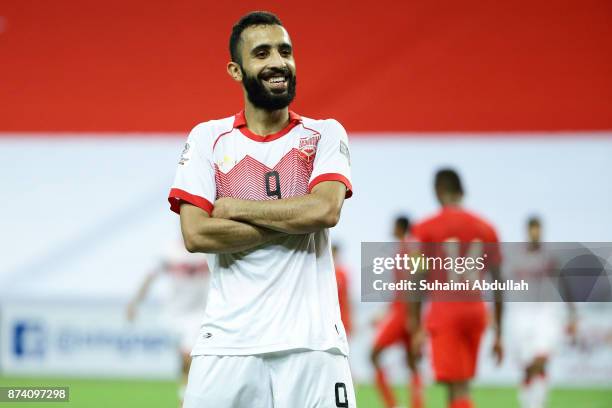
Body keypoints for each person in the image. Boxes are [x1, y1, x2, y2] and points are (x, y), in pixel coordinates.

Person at [167, 11, 355, 407]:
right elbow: (196, 234)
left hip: (313, 346)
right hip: (227, 345)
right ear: (236, 70)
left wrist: (236, 207)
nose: (277, 62)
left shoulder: (324, 133)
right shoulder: (208, 139)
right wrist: (295, 219)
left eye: (285, 51)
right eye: (262, 53)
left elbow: (324, 211)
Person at [408, 169, 504, 408]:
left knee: (457, 386)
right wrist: (500, 332)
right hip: (475, 309)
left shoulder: (425, 228)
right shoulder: (486, 228)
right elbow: (499, 282)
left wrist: (414, 324)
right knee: (460, 385)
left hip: (445, 310)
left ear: (438, 191)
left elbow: (416, 279)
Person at [126, 240, 209, 403]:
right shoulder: (170, 251)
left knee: (189, 357)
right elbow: (150, 276)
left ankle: (185, 400)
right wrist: (134, 303)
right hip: (174, 314)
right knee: (184, 362)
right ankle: (185, 394)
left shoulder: (208, 248)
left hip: (199, 313)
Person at [508, 217, 577, 408]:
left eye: (538, 230)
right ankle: (528, 403)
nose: (534, 234)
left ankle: (537, 404)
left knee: (541, 358)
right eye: (532, 230)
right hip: (521, 314)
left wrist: (572, 314)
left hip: (545, 314)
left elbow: (564, 284)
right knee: (527, 366)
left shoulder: (550, 257)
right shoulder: (516, 257)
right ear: (527, 231)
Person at [371, 216, 424, 408]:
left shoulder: (411, 250)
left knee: (374, 354)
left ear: (401, 227)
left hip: (404, 313)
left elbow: (417, 284)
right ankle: (413, 404)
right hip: (402, 311)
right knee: (412, 363)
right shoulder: (407, 250)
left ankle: (392, 404)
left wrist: (412, 317)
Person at [332, 243, 352, 337]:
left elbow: (348, 297)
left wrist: (351, 319)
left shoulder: (342, 274)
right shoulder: (326, 273)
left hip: (343, 315)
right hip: (331, 317)